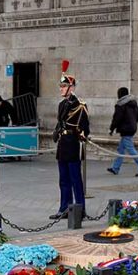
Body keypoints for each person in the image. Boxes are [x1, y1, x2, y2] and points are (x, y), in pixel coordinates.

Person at [50, 60, 90, 220]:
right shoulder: (62, 104)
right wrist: (57, 131)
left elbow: (85, 127)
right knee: (63, 180)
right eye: (60, 87)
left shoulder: (79, 105)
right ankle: (64, 208)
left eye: (64, 86)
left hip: (73, 144)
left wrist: (82, 136)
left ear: (71, 88)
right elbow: (61, 122)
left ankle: (79, 209)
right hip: (63, 144)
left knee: (75, 180)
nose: (61, 89)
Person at [106, 87, 138, 177]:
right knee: (120, 149)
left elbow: (116, 118)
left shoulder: (120, 105)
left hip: (125, 129)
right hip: (132, 128)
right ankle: (115, 168)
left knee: (131, 149)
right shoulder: (133, 104)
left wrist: (111, 129)